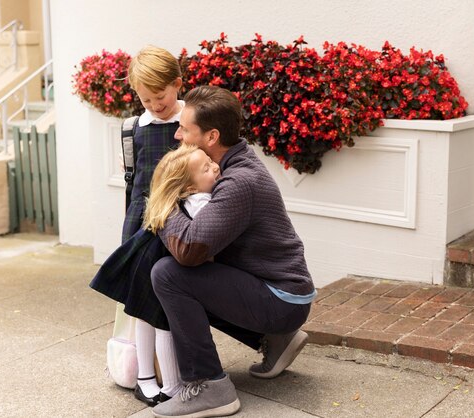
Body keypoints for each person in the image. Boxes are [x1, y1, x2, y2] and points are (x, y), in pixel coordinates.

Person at [150, 86, 316, 418]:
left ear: (211, 136)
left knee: (168, 275)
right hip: (282, 291)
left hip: (281, 300)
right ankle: (278, 339)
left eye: (186, 129)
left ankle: (210, 387)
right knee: (174, 267)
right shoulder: (231, 160)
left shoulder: (238, 182)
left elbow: (189, 249)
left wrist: (162, 200)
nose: (178, 134)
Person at [89, 45, 184, 407]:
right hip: (141, 223)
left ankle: (175, 375)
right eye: (146, 100)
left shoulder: (190, 122)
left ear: (177, 84)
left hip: (178, 222)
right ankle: (146, 377)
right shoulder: (134, 129)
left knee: (173, 299)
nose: (155, 106)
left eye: (160, 97)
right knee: (141, 302)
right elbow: (134, 182)